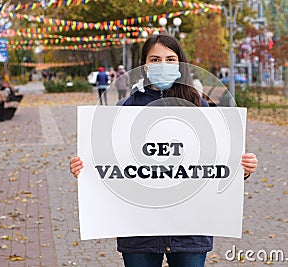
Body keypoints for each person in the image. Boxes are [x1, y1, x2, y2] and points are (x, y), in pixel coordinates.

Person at [69, 34, 258, 267]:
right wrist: (86, 169)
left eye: (170, 59)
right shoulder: (127, 107)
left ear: (180, 64)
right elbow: (110, 161)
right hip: (139, 232)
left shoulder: (199, 106)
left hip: (190, 230)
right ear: (145, 65)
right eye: (155, 59)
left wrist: (243, 170)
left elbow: (217, 161)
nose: (163, 65)